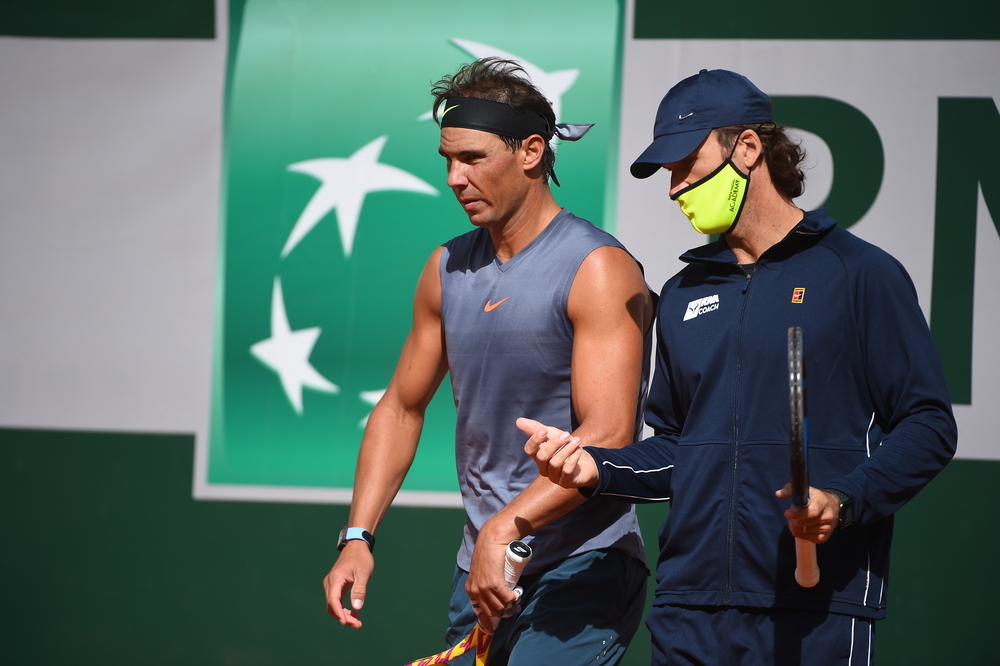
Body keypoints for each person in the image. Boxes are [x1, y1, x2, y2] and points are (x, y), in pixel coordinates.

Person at [521, 69, 958, 665]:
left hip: (816, 606)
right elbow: (678, 450)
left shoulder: (861, 273)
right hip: (688, 610)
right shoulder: (682, 293)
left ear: (748, 148)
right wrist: (594, 467)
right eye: (667, 172)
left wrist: (844, 500)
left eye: (686, 165)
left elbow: (928, 425)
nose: (674, 188)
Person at [323, 58, 655, 666]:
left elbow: (608, 435)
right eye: (448, 160)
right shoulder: (445, 268)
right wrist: (358, 536)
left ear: (531, 152)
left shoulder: (599, 269)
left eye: (473, 158)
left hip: (582, 567)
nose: (455, 178)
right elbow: (400, 408)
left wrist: (506, 526)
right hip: (480, 571)